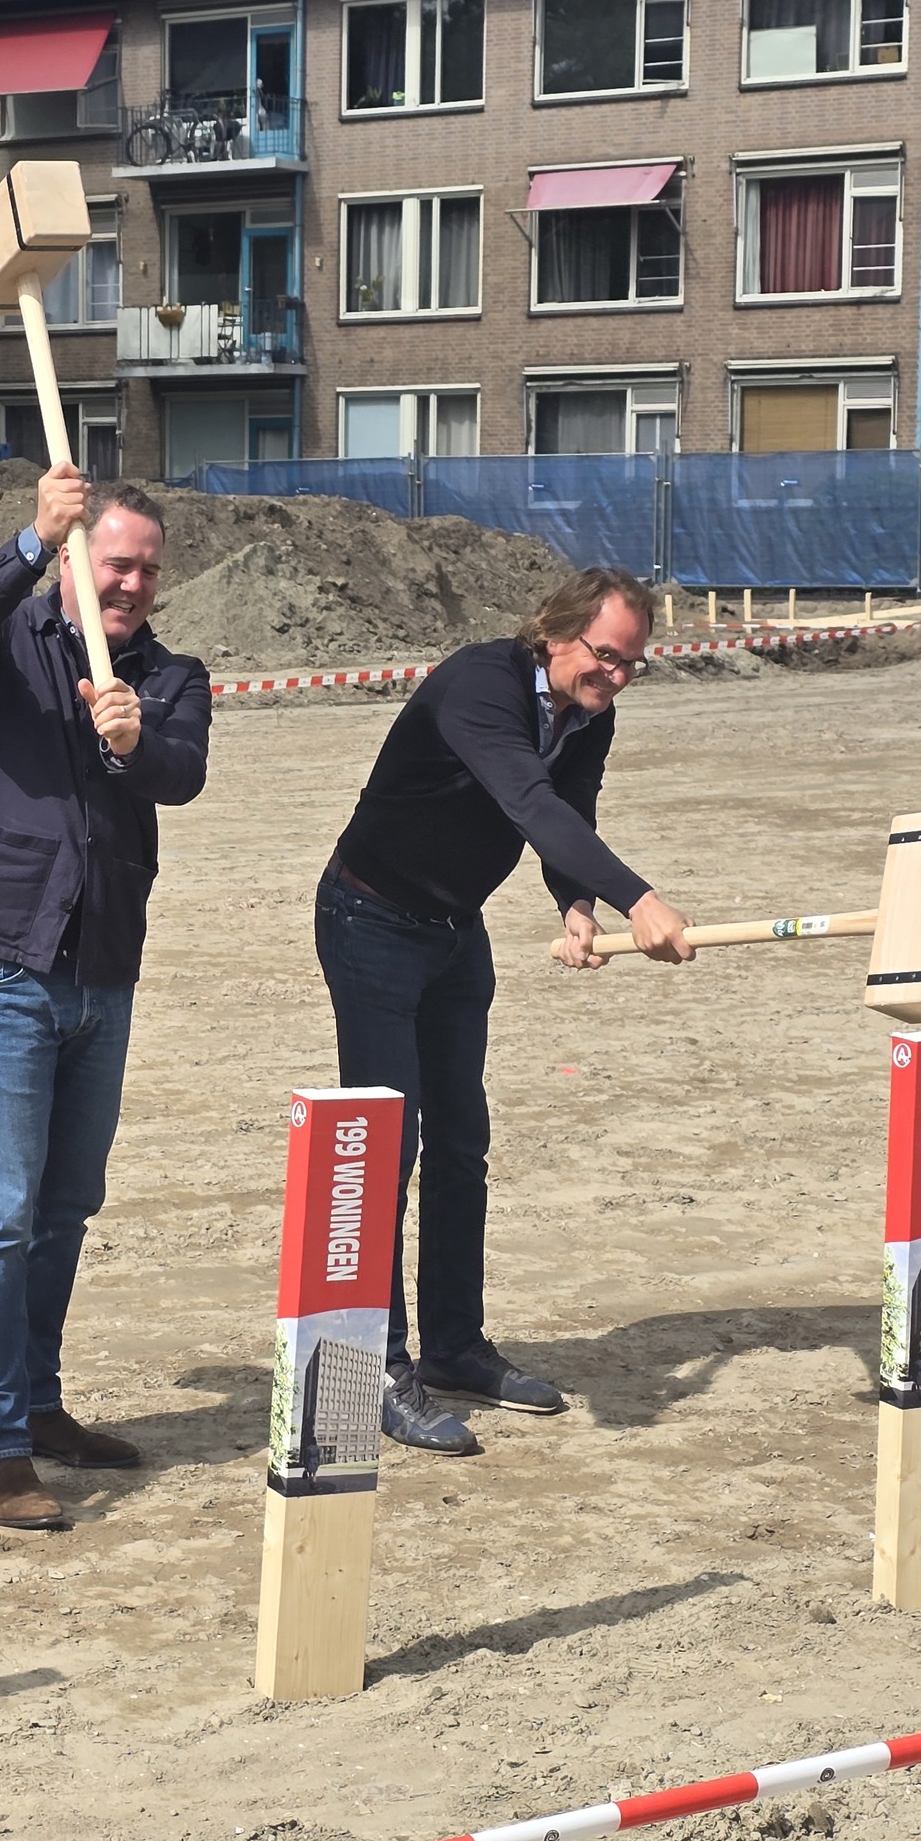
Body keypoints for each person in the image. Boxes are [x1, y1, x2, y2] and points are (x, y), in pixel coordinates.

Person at [317, 568, 692, 1455]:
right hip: (370, 918)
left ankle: (453, 1345)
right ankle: (379, 1365)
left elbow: (569, 814)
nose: (619, 679)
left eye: (636, 665)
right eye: (608, 657)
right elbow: (524, 799)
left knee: (460, 1141)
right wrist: (640, 898)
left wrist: (579, 907)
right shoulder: (479, 686)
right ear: (555, 631)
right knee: (387, 1145)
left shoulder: (591, 712)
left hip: (455, 928)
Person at [0, 463, 213, 1531]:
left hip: (103, 974)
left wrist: (133, 741)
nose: (129, 583)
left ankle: (39, 1405)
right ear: (78, 561)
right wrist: (32, 542)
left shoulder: (171, 676)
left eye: (144, 569)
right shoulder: (7, 645)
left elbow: (182, 771)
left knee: (65, 1208)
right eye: (112, 561)